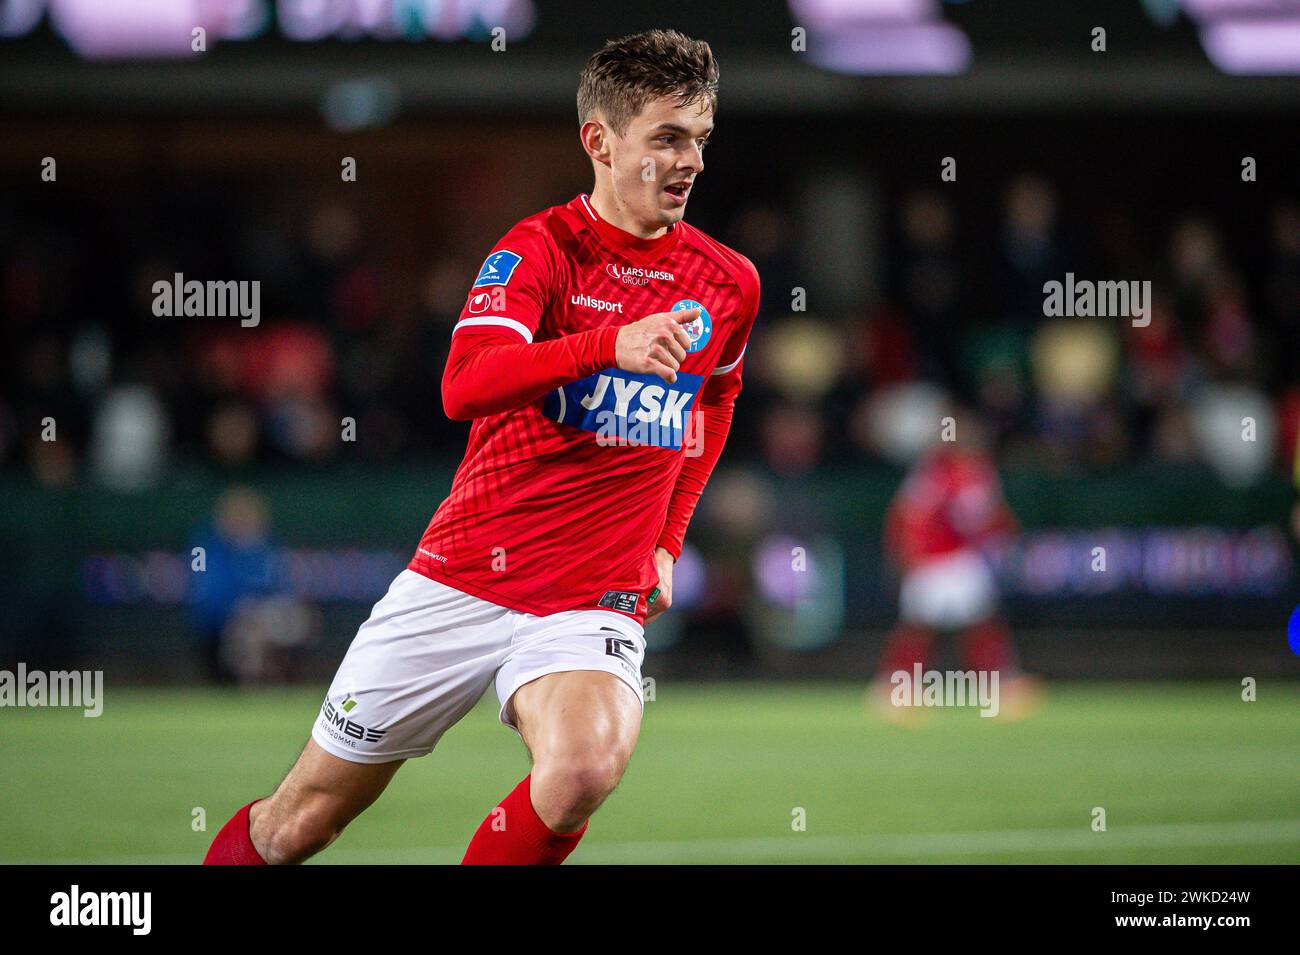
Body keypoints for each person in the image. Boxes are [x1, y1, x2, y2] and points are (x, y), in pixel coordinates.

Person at [204, 29, 760, 865]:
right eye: (669, 138)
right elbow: (464, 384)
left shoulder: (729, 281)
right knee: (298, 824)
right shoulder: (538, 250)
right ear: (600, 141)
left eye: (701, 139)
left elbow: (714, 400)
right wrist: (605, 345)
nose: (691, 162)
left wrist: (669, 539)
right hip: (462, 576)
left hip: (591, 595)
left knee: (583, 767)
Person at [869, 412, 1042, 722]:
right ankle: (899, 688)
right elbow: (975, 519)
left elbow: (906, 516)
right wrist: (1008, 534)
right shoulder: (957, 473)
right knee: (948, 627)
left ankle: (897, 688)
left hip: (941, 561)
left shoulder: (936, 471)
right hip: (943, 561)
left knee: (948, 627)